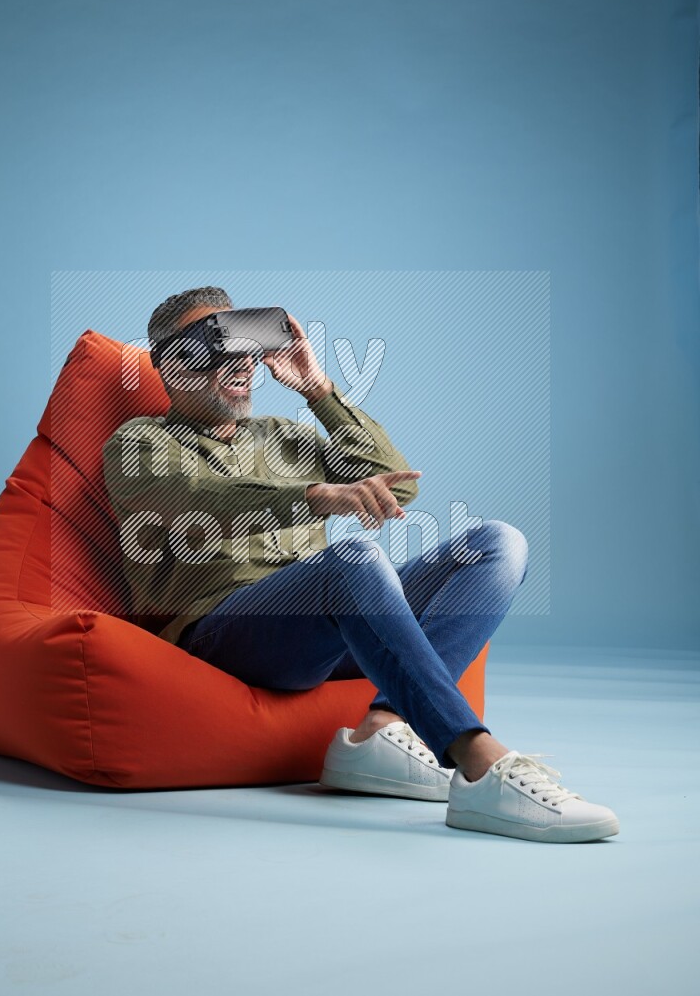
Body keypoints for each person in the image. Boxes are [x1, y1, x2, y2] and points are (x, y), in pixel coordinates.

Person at [102, 285, 619, 844]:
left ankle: (381, 727)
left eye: (244, 342)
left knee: (498, 543)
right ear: (173, 365)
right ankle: (478, 761)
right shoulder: (138, 442)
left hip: (330, 631)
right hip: (226, 637)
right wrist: (318, 497)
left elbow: (397, 484)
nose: (238, 360)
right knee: (353, 557)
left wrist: (318, 392)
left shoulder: (288, 437)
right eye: (213, 344)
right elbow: (202, 494)